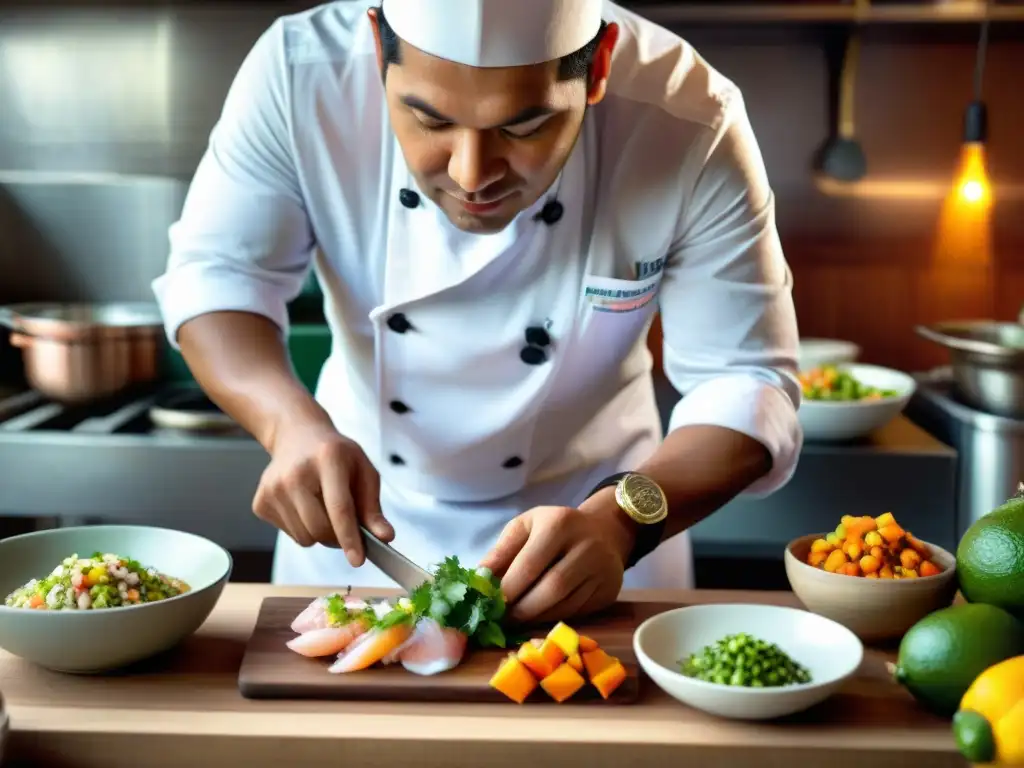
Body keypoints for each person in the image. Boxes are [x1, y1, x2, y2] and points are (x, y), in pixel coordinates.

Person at [152, 0, 803, 624]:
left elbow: (745, 382)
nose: (471, 173)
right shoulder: (300, 75)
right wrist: (289, 427)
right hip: (357, 535)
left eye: (523, 127)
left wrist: (624, 522)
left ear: (598, 66)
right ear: (379, 47)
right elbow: (220, 280)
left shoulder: (688, 116)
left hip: (600, 539)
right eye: (430, 120)